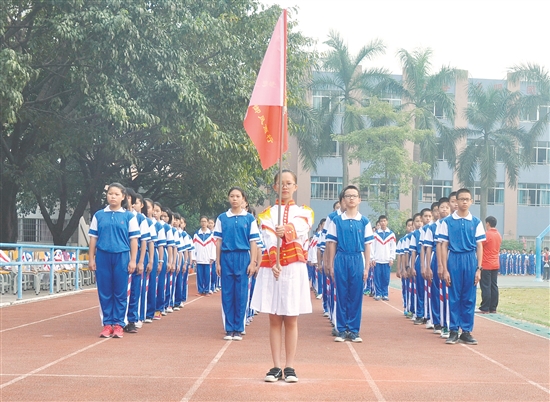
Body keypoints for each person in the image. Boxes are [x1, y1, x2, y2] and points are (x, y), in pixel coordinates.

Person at [250, 170, 313, 383]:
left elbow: (302, 228)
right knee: (274, 318)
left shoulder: (305, 212)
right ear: (274, 187)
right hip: (272, 267)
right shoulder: (266, 213)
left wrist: (286, 229)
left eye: (289, 183)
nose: (285, 187)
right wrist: (275, 260)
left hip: (294, 267)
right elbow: (267, 238)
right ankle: (276, 366)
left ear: (295, 186)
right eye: (281, 183)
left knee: (291, 317)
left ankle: (291, 366)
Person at [88, 183, 139, 338]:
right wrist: (91, 258)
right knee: (104, 291)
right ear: (107, 195)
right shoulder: (99, 215)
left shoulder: (129, 216)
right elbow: (93, 238)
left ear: (123, 197)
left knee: (120, 291)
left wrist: (133, 260)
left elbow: (134, 240)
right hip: (103, 256)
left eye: (117, 194)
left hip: (122, 256)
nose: (113, 197)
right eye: (110, 193)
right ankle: (107, 324)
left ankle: (118, 324)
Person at [325, 185, 373, 343]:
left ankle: (353, 330)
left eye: (354, 196)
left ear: (359, 199)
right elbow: (331, 244)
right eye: (348, 196)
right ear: (343, 200)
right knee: (341, 294)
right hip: (341, 258)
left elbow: (367, 246)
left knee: (356, 295)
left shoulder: (364, 221)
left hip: (357, 259)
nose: (351, 198)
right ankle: (341, 329)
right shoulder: (336, 220)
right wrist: (331, 265)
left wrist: (366, 267)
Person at [438, 188, 486, 345]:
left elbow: (479, 246)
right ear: (456, 202)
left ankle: (466, 331)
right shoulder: (447, 222)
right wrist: (444, 269)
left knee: (469, 297)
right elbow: (444, 246)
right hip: (454, 260)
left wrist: (479, 268)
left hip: (470, 260)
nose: (464, 201)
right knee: (454, 296)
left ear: (471, 201)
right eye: (462, 199)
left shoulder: (476, 222)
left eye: (468, 199)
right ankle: (453, 330)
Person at [214, 187, 259, 342]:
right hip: (226, 257)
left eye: (237, 196)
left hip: (242, 257)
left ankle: (239, 328)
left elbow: (253, 242)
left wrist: (253, 262)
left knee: (241, 294)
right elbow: (218, 242)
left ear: (243, 199)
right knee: (227, 293)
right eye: (232, 196)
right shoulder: (222, 218)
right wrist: (218, 262)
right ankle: (229, 328)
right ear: (228, 198)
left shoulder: (249, 219)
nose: (234, 199)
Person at [478, 216, 502, 314]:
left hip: (486, 264)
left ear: (487, 223)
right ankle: (493, 307)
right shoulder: (499, 235)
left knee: (485, 286)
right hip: (495, 263)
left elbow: (479, 246)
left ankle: (485, 307)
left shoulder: (487, 235)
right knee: (494, 286)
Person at [372, 215, 396, 301]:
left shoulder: (391, 234)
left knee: (386, 278)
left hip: (387, 260)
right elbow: (372, 247)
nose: (383, 223)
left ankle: (385, 294)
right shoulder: (375, 234)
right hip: (377, 260)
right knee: (377, 278)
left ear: (387, 222)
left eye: (384, 221)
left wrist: (392, 258)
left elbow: (393, 247)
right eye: (381, 221)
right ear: (379, 222)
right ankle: (378, 293)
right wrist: (372, 258)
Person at [193, 216, 216, 296]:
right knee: (199, 275)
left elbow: (214, 247)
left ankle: (206, 290)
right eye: (202, 221)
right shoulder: (196, 234)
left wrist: (212, 257)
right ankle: (200, 290)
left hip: (207, 258)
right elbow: (194, 247)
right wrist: (194, 257)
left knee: (207, 275)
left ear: (207, 222)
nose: (203, 223)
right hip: (199, 258)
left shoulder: (211, 235)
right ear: (200, 223)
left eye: (205, 221)